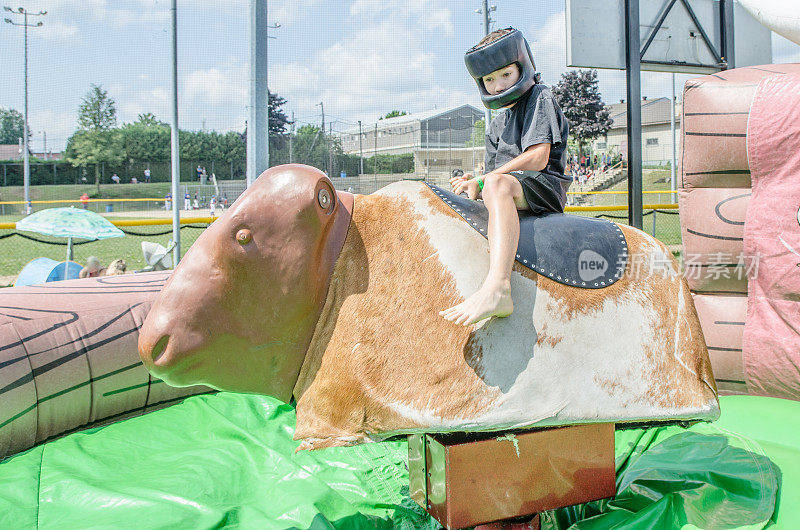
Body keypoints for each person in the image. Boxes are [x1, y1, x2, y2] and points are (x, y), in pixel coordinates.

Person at [441, 27, 570, 326]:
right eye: (489, 79)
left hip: (544, 185)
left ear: (523, 66)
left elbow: (538, 158)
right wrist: (474, 181)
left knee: (495, 183)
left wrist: (488, 179)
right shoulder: (497, 124)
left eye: (505, 75)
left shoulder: (540, 97)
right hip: (512, 187)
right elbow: (491, 176)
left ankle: (499, 287)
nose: (497, 86)